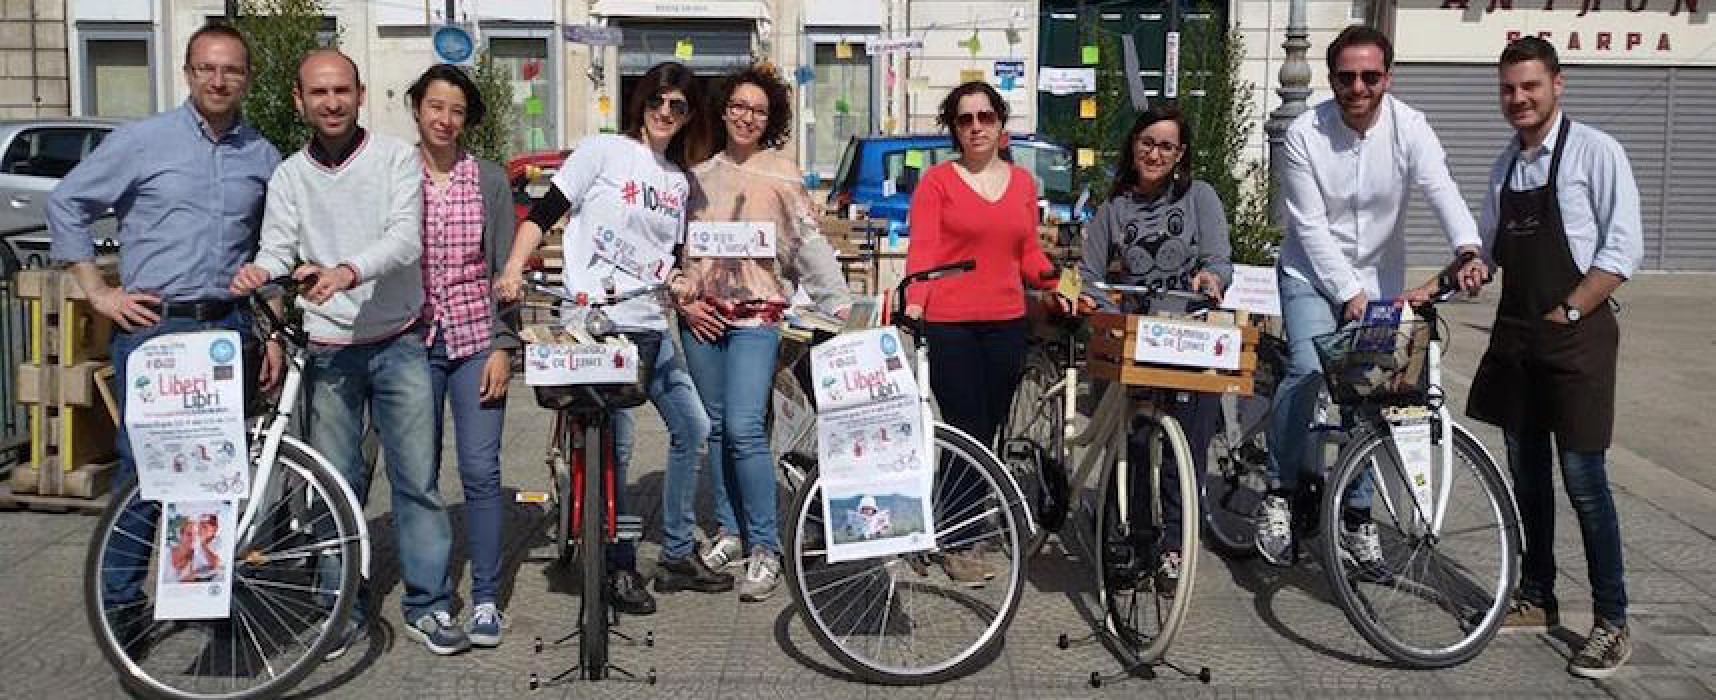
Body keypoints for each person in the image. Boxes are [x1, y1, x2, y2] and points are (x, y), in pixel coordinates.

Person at [229, 49, 466, 659]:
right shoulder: (288, 176)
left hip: (400, 342)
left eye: (341, 90)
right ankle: (343, 610)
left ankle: (429, 604)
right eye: (318, 92)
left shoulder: (393, 159)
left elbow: (403, 240)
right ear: (298, 101)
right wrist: (259, 270)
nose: (331, 102)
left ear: (361, 94)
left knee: (416, 482)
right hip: (329, 352)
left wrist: (347, 271)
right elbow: (279, 248)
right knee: (334, 488)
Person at [48, 24, 281, 639]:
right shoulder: (143, 142)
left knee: (217, 472)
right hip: (156, 330)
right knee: (145, 472)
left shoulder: (261, 155)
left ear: (246, 79)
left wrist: (275, 331)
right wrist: (97, 291)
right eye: (206, 67)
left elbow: (274, 247)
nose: (218, 79)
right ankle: (121, 601)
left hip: (227, 331)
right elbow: (67, 202)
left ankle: (202, 597)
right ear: (187, 72)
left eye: (231, 69)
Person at [495, 61, 723, 614]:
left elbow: (674, 259)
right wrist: (513, 267)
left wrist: (684, 279)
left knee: (692, 427)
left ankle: (674, 550)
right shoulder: (601, 151)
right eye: (657, 102)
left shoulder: (678, 182)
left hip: (649, 322)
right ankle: (616, 564)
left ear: (689, 116)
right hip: (596, 324)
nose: (666, 113)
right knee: (615, 449)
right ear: (640, 104)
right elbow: (543, 213)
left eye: (679, 106)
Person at [1262, 25, 1484, 575]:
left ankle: (1356, 516)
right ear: (1330, 76)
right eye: (1345, 76)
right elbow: (1308, 227)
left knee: (1376, 396)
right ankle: (1279, 492)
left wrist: (1468, 248)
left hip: (1379, 277)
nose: (1357, 87)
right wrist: (1349, 294)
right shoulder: (1305, 133)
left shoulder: (1410, 127)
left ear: (1388, 76)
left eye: (1370, 75)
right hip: (1312, 273)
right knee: (1308, 369)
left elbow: (1441, 188)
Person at [1464, 37, 1642, 679]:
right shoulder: (1503, 167)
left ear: (1557, 85)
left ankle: (1612, 622)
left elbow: (1622, 252)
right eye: (1509, 88)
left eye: (1530, 86)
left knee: (1585, 483)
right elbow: (1486, 250)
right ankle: (1536, 596)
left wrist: (1568, 310)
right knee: (1527, 481)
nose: (1518, 98)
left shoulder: (1598, 153)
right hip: (1518, 342)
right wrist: (1465, 270)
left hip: (1577, 342)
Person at [679, 64, 852, 602]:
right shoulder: (696, 178)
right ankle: (729, 531)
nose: (746, 117)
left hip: (758, 319)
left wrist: (839, 303)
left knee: (747, 430)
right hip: (701, 319)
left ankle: (765, 546)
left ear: (770, 117)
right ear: (724, 109)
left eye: (758, 109)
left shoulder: (782, 175)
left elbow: (807, 244)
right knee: (715, 428)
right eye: (738, 106)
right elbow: (673, 253)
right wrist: (681, 302)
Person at [902, 81, 1059, 587]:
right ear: (954, 128)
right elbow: (923, 250)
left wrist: (1056, 282)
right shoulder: (937, 183)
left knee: (988, 431)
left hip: (1005, 321)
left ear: (1000, 124)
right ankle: (958, 537)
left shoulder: (1021, 183)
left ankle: (958, 516)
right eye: (965, 119)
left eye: (985, 117)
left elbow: (1027, 254)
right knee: (965, 428)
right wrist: (914, 302)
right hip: (951, 322)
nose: (975, 127)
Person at [1077, 106, 1231, 591]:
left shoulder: (1200, 197)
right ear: (1133, 146)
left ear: (1180, 154)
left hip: (1190, 338)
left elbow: (1219, 259)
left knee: (1188, 446)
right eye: (1148, 142)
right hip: (1135, 338)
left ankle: (1174, 547)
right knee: (1136, 441)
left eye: (1167, 146)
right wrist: (1107, 308)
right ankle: (1137, 537)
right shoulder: (1113, 209)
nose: (1155, 153)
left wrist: (1211, 277)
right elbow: (1090, 275)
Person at [404, 63, 521, 648]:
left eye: (456, 110)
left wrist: (505, 346)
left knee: (480, 472)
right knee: (419, 474)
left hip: (476, 339)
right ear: (417, 109)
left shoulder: (489, 180)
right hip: (412, 343)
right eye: (435, 106)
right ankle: (425, 598)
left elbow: (506, 269)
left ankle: (484, 599)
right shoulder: (398, 175)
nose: (445, 119)